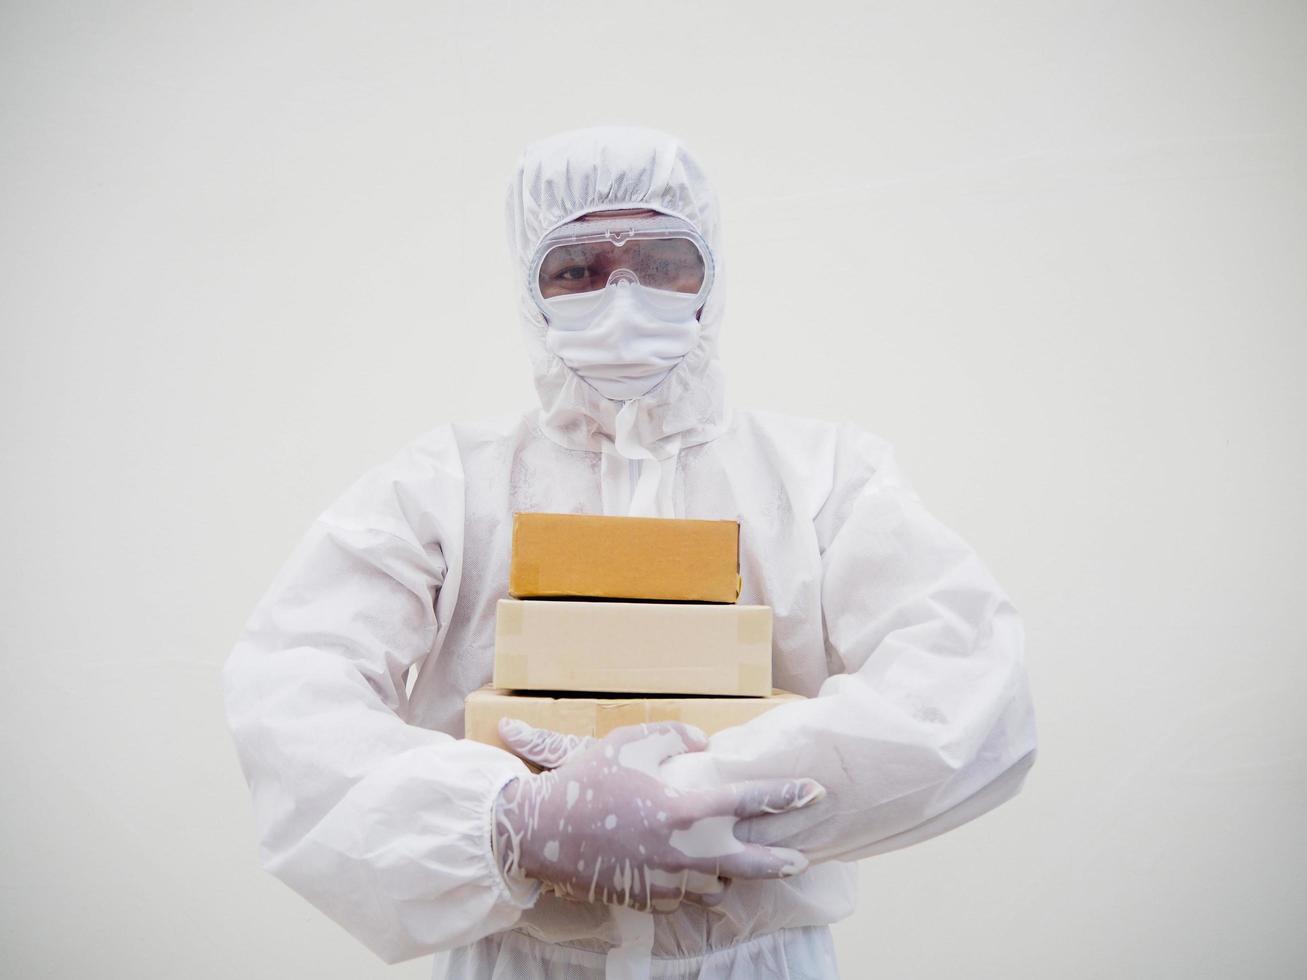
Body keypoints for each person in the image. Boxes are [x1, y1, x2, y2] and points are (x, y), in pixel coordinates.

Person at [223, 125, 1038, 980]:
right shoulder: (443, 488)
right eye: (577, 268)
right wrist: (511, 819)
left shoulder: (826, 479)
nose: (623, 294)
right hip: (518, 960)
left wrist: (698, 798)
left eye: (661, 260)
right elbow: (292, 686)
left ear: (709, 277)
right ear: (530, 289)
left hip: (753, 961)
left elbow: (963, 681)